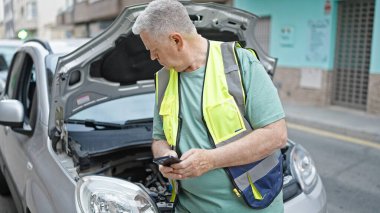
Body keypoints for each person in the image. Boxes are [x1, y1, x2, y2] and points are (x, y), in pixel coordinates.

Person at [132, 0, 287, 212]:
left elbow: (275, 135)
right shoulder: (164, 80)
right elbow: (159, 139)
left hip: (252, 204)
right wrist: (165, 157)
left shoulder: (240, 63)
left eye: (154, 50)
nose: (152, 57)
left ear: (176, 40)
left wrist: (210, 160)